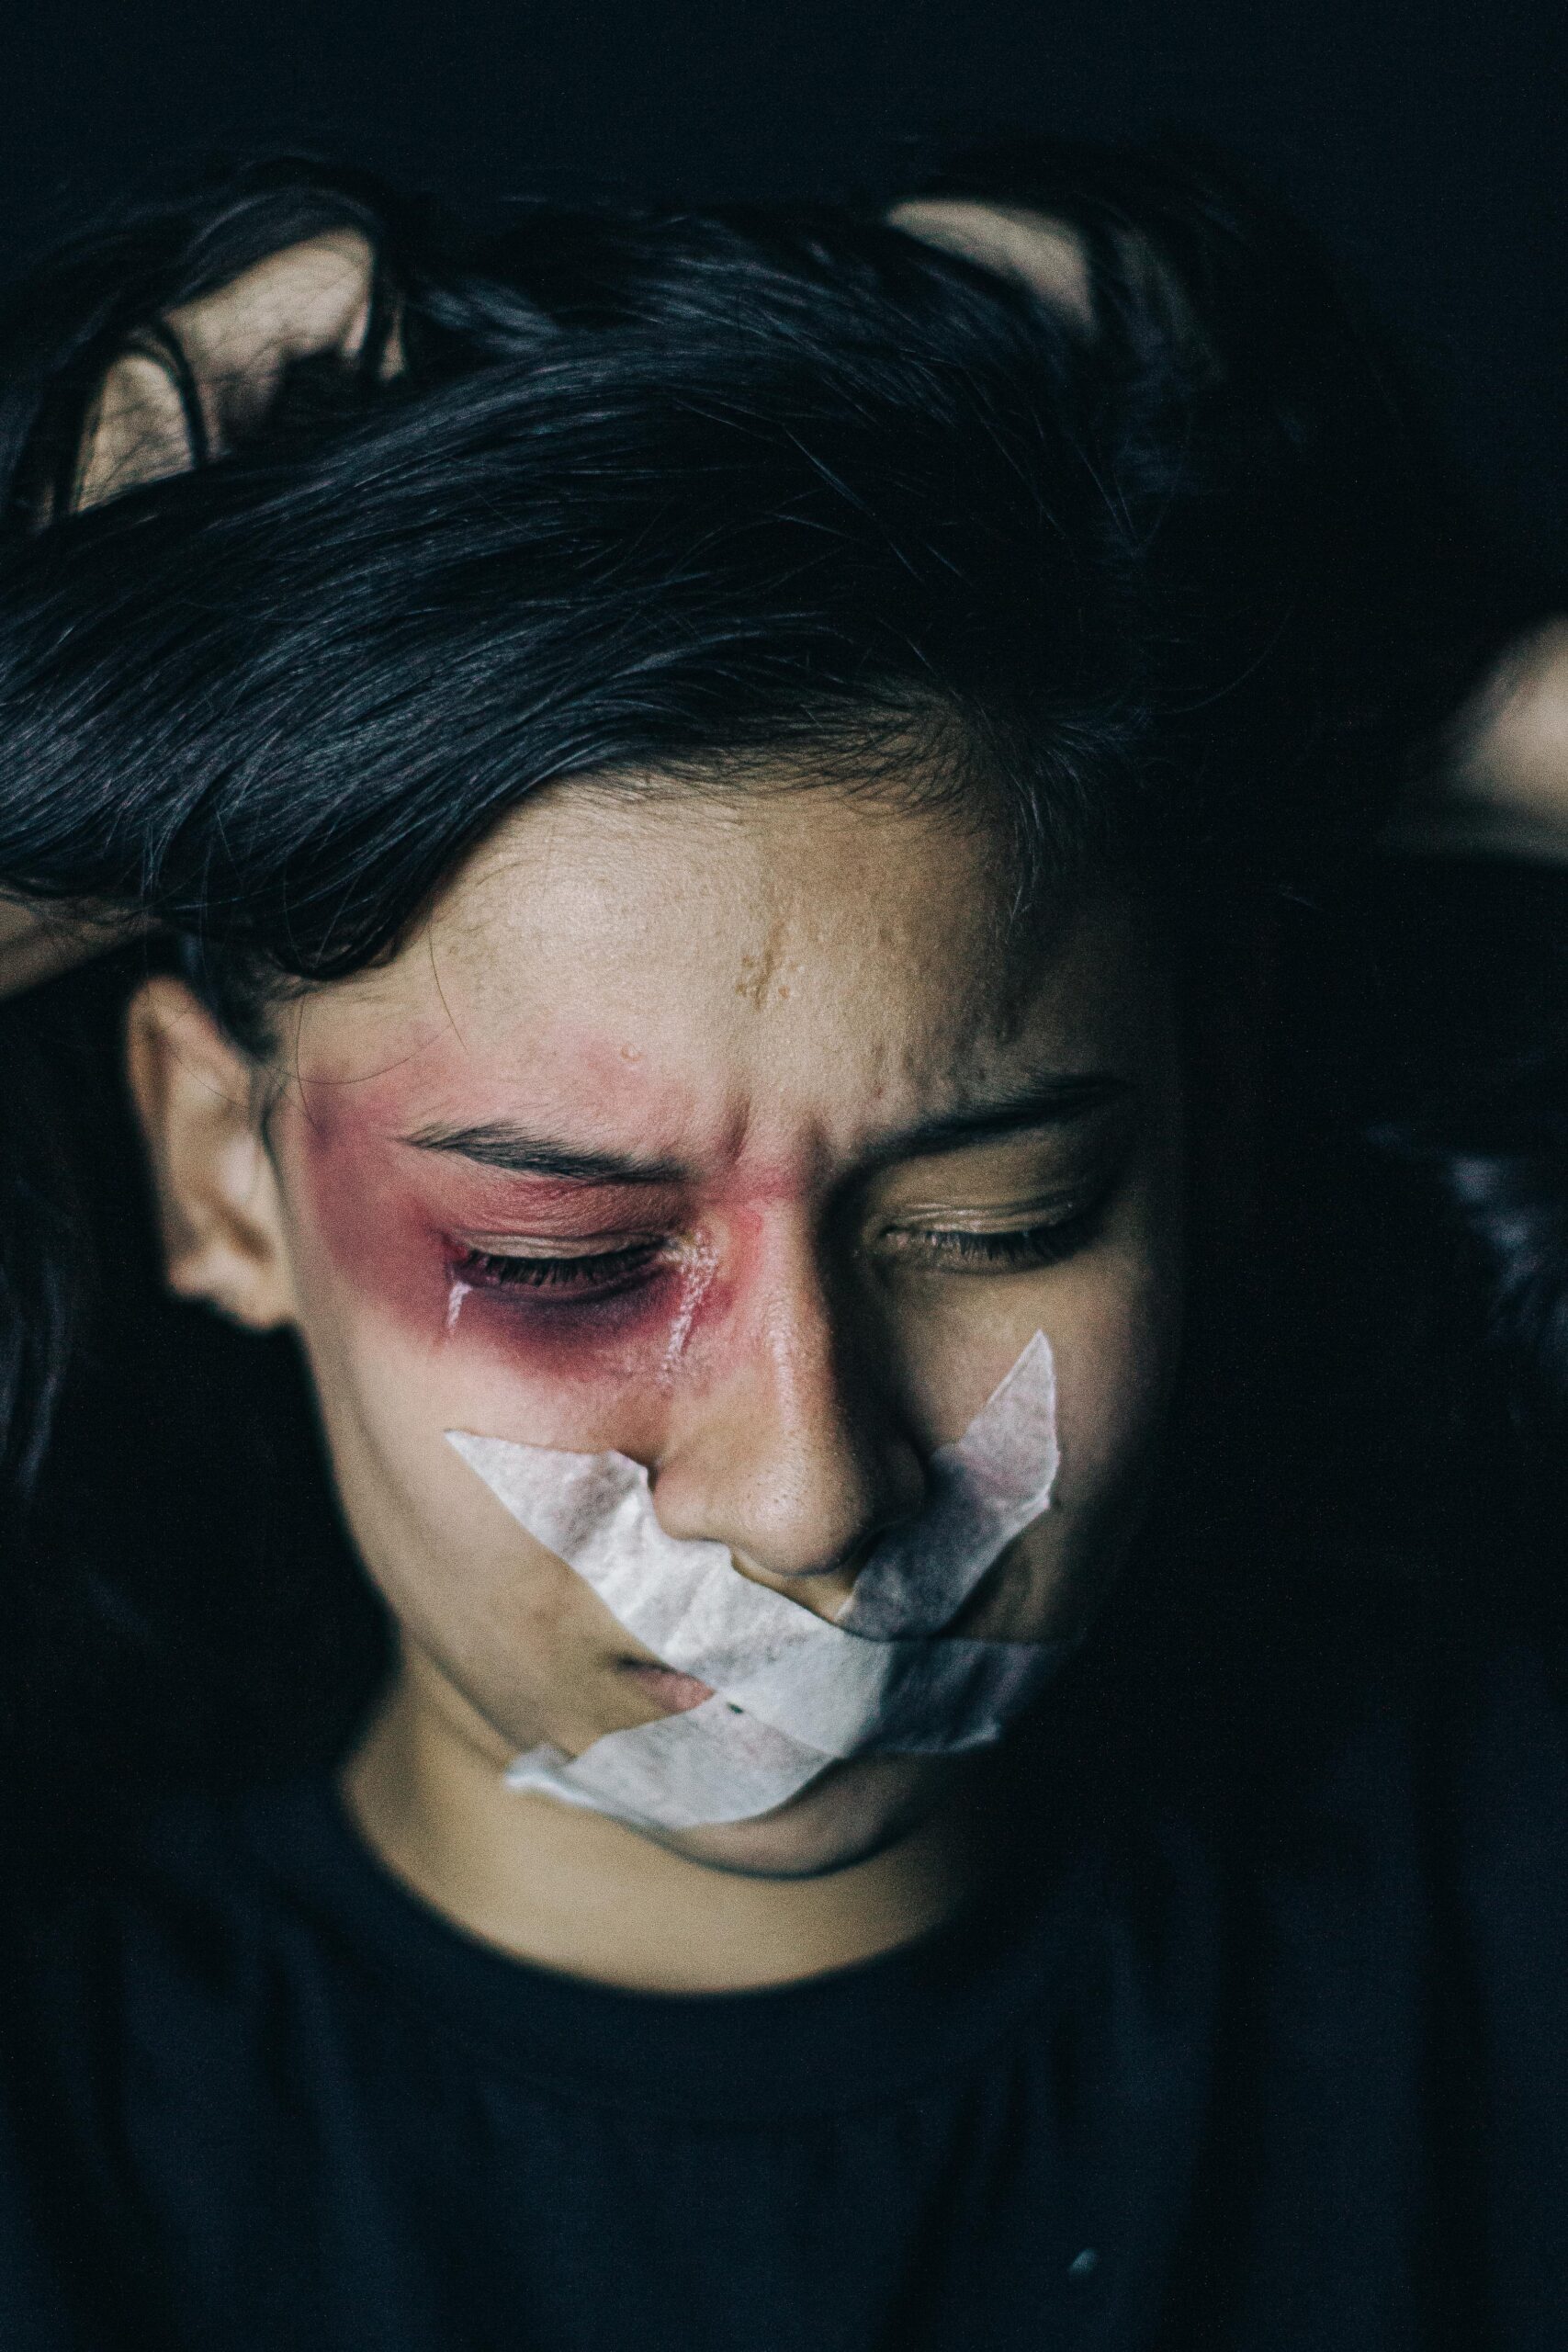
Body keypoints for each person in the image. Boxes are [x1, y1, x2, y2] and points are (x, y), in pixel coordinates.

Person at [0, 143, 1562, 2348]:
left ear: (1210, 1107)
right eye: (557, 1252)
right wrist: (72, 721)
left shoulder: (1497, 1935)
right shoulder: (66, 2138)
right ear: (219, 1169)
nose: (817, 1487)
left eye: (991, 1216)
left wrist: (1399, 690)